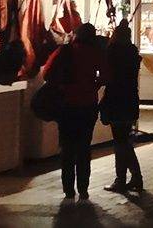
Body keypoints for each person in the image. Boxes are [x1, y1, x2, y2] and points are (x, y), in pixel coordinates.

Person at [41, 23, 106, 200]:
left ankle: (68, 188)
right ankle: (83, 187)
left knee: (67, 148)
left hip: (67, 104)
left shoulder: (65, 51)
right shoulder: (95, 52)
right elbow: (106, 75)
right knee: (84, 147)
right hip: (88, 105)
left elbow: (46, 73)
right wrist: (93, 85)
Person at [98, 23, 143, 193]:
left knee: (120, 142)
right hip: (130, 99)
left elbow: (107, 76)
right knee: (124, 141)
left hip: (116, 100)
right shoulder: (132, 52)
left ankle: (123, 178)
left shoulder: (112, 52)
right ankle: (134, 176)